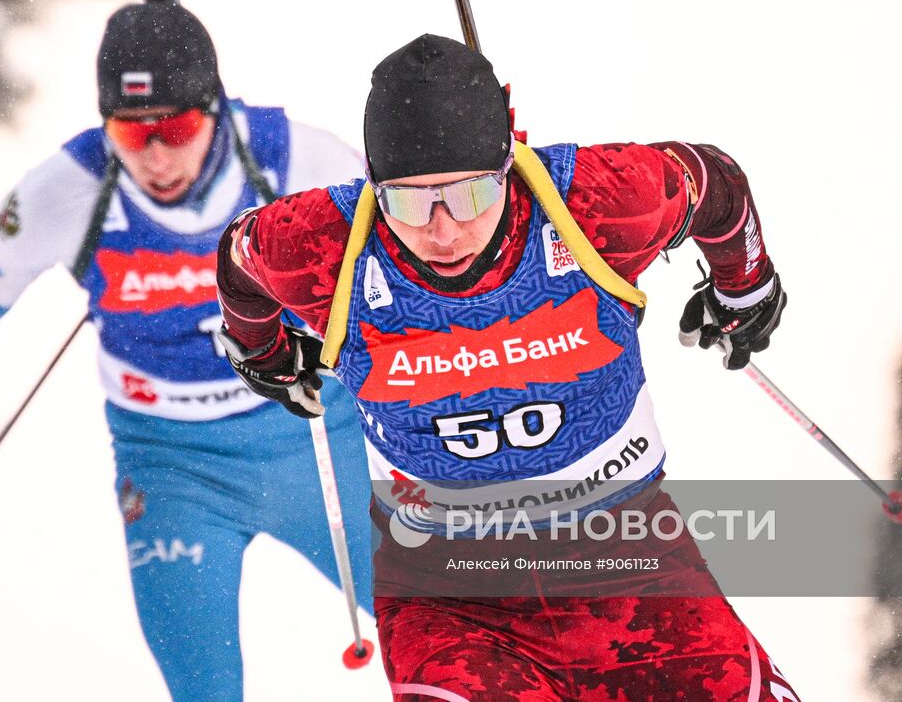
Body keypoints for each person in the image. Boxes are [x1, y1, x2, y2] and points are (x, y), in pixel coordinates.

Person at [214, 34, 801, 700]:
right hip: (453, 606)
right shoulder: (324, 243)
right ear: (374, 185)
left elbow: (713, 180)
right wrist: (262, 352)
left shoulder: (596, 202)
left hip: (638, 574)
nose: (441, 231)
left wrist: (745, 285)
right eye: (407, 201)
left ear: (506, 165)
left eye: (468, 196)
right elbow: (239, 258)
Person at [0, 0, 375, 702]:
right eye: (131, 133)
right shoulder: (66, 191)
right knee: (203, 691)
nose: (155, 157)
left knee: (464, 634)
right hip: (171, 467)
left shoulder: (293, 158)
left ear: (213, 108)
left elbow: (416, 253)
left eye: (175, 128)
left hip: (317, 439)